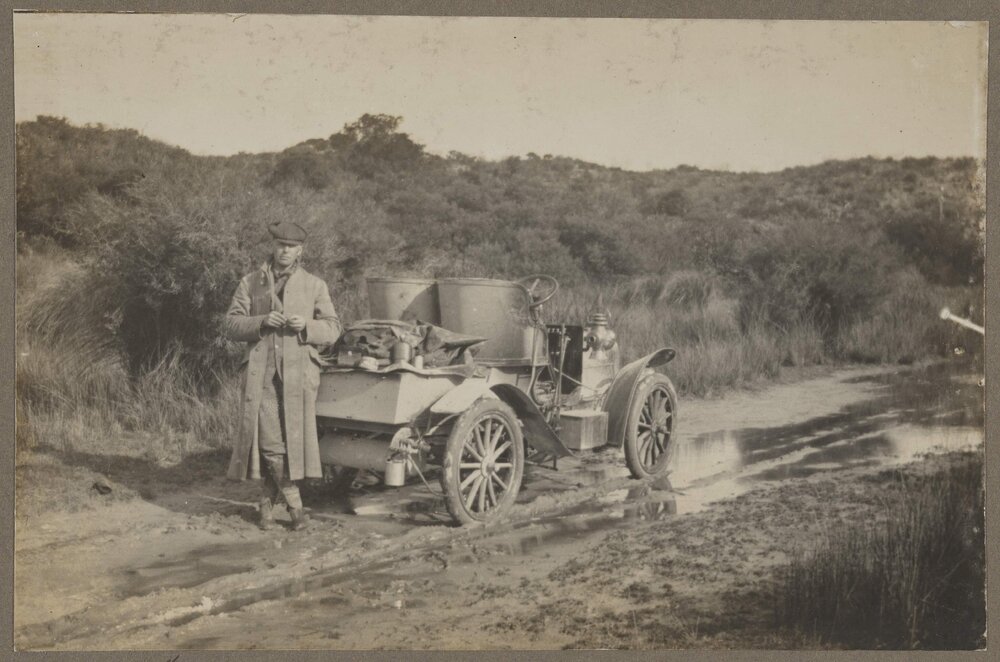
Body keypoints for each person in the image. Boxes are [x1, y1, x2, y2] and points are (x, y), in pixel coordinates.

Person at [223, 221, 341, 531]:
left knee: (291, 441)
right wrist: (261, 321)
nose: (284, 251)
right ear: (272, 247)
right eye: (280, 245)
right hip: (260, 375)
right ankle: (296, 506)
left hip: (299, 375)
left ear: (300, 251)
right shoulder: (251, 283)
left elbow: (332, 328)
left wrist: (308, 326)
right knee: (270, 442)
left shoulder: (315, 285)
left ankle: (265, 504)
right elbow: (231, 324)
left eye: (291, 247)